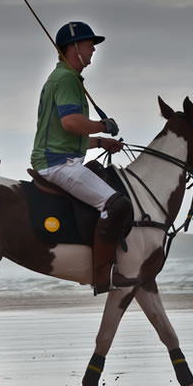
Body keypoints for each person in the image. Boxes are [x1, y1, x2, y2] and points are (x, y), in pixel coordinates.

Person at [30, 21, 126, 295]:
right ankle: (104, 274)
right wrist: (103, 125)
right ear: (74, 48)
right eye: (89, 44)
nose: (93, 49)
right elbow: (71, 123)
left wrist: (100, 142)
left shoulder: (65, 77)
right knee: (116, 205)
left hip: (60, 158)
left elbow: (66, 135)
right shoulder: (66, 79)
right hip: (57, 165)